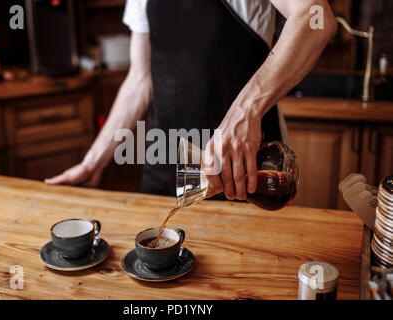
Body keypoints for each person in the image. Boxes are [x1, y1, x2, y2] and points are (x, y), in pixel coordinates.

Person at [46, 0, 337, 201]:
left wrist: (246, 110)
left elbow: (316, 19)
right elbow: (140, 79)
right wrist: (93, 163)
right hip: (163, 171)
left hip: (240, 174)